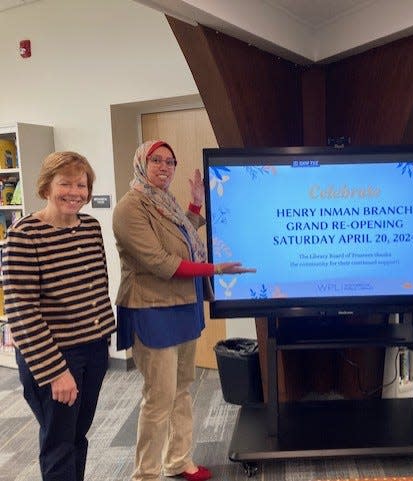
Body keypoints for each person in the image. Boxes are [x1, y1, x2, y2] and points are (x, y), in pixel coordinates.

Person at [113, 140, 255, 481]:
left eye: (170, 161)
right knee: (159, 396)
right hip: (153, 309)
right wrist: (216, 270)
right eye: (156, 160)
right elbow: (161, 262)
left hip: (183, 304)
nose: (164, 166)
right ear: (141, 163)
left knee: (182, 389)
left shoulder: (165, 202)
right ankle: (145, 474)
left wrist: (195, 203)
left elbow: (182, 239)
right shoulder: (130, 208)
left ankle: (177, 459)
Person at [1, 151, 116, 481]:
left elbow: (95, 289)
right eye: (65, 183)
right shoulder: (24, 235)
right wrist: (54, 372)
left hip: (93, 350)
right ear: (46, 186)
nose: (75, 192)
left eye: (82, 185)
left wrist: (102, 339)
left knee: (78, 437)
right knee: (58, 444)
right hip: (54, 357)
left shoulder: (90, 227)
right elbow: (22, 311)